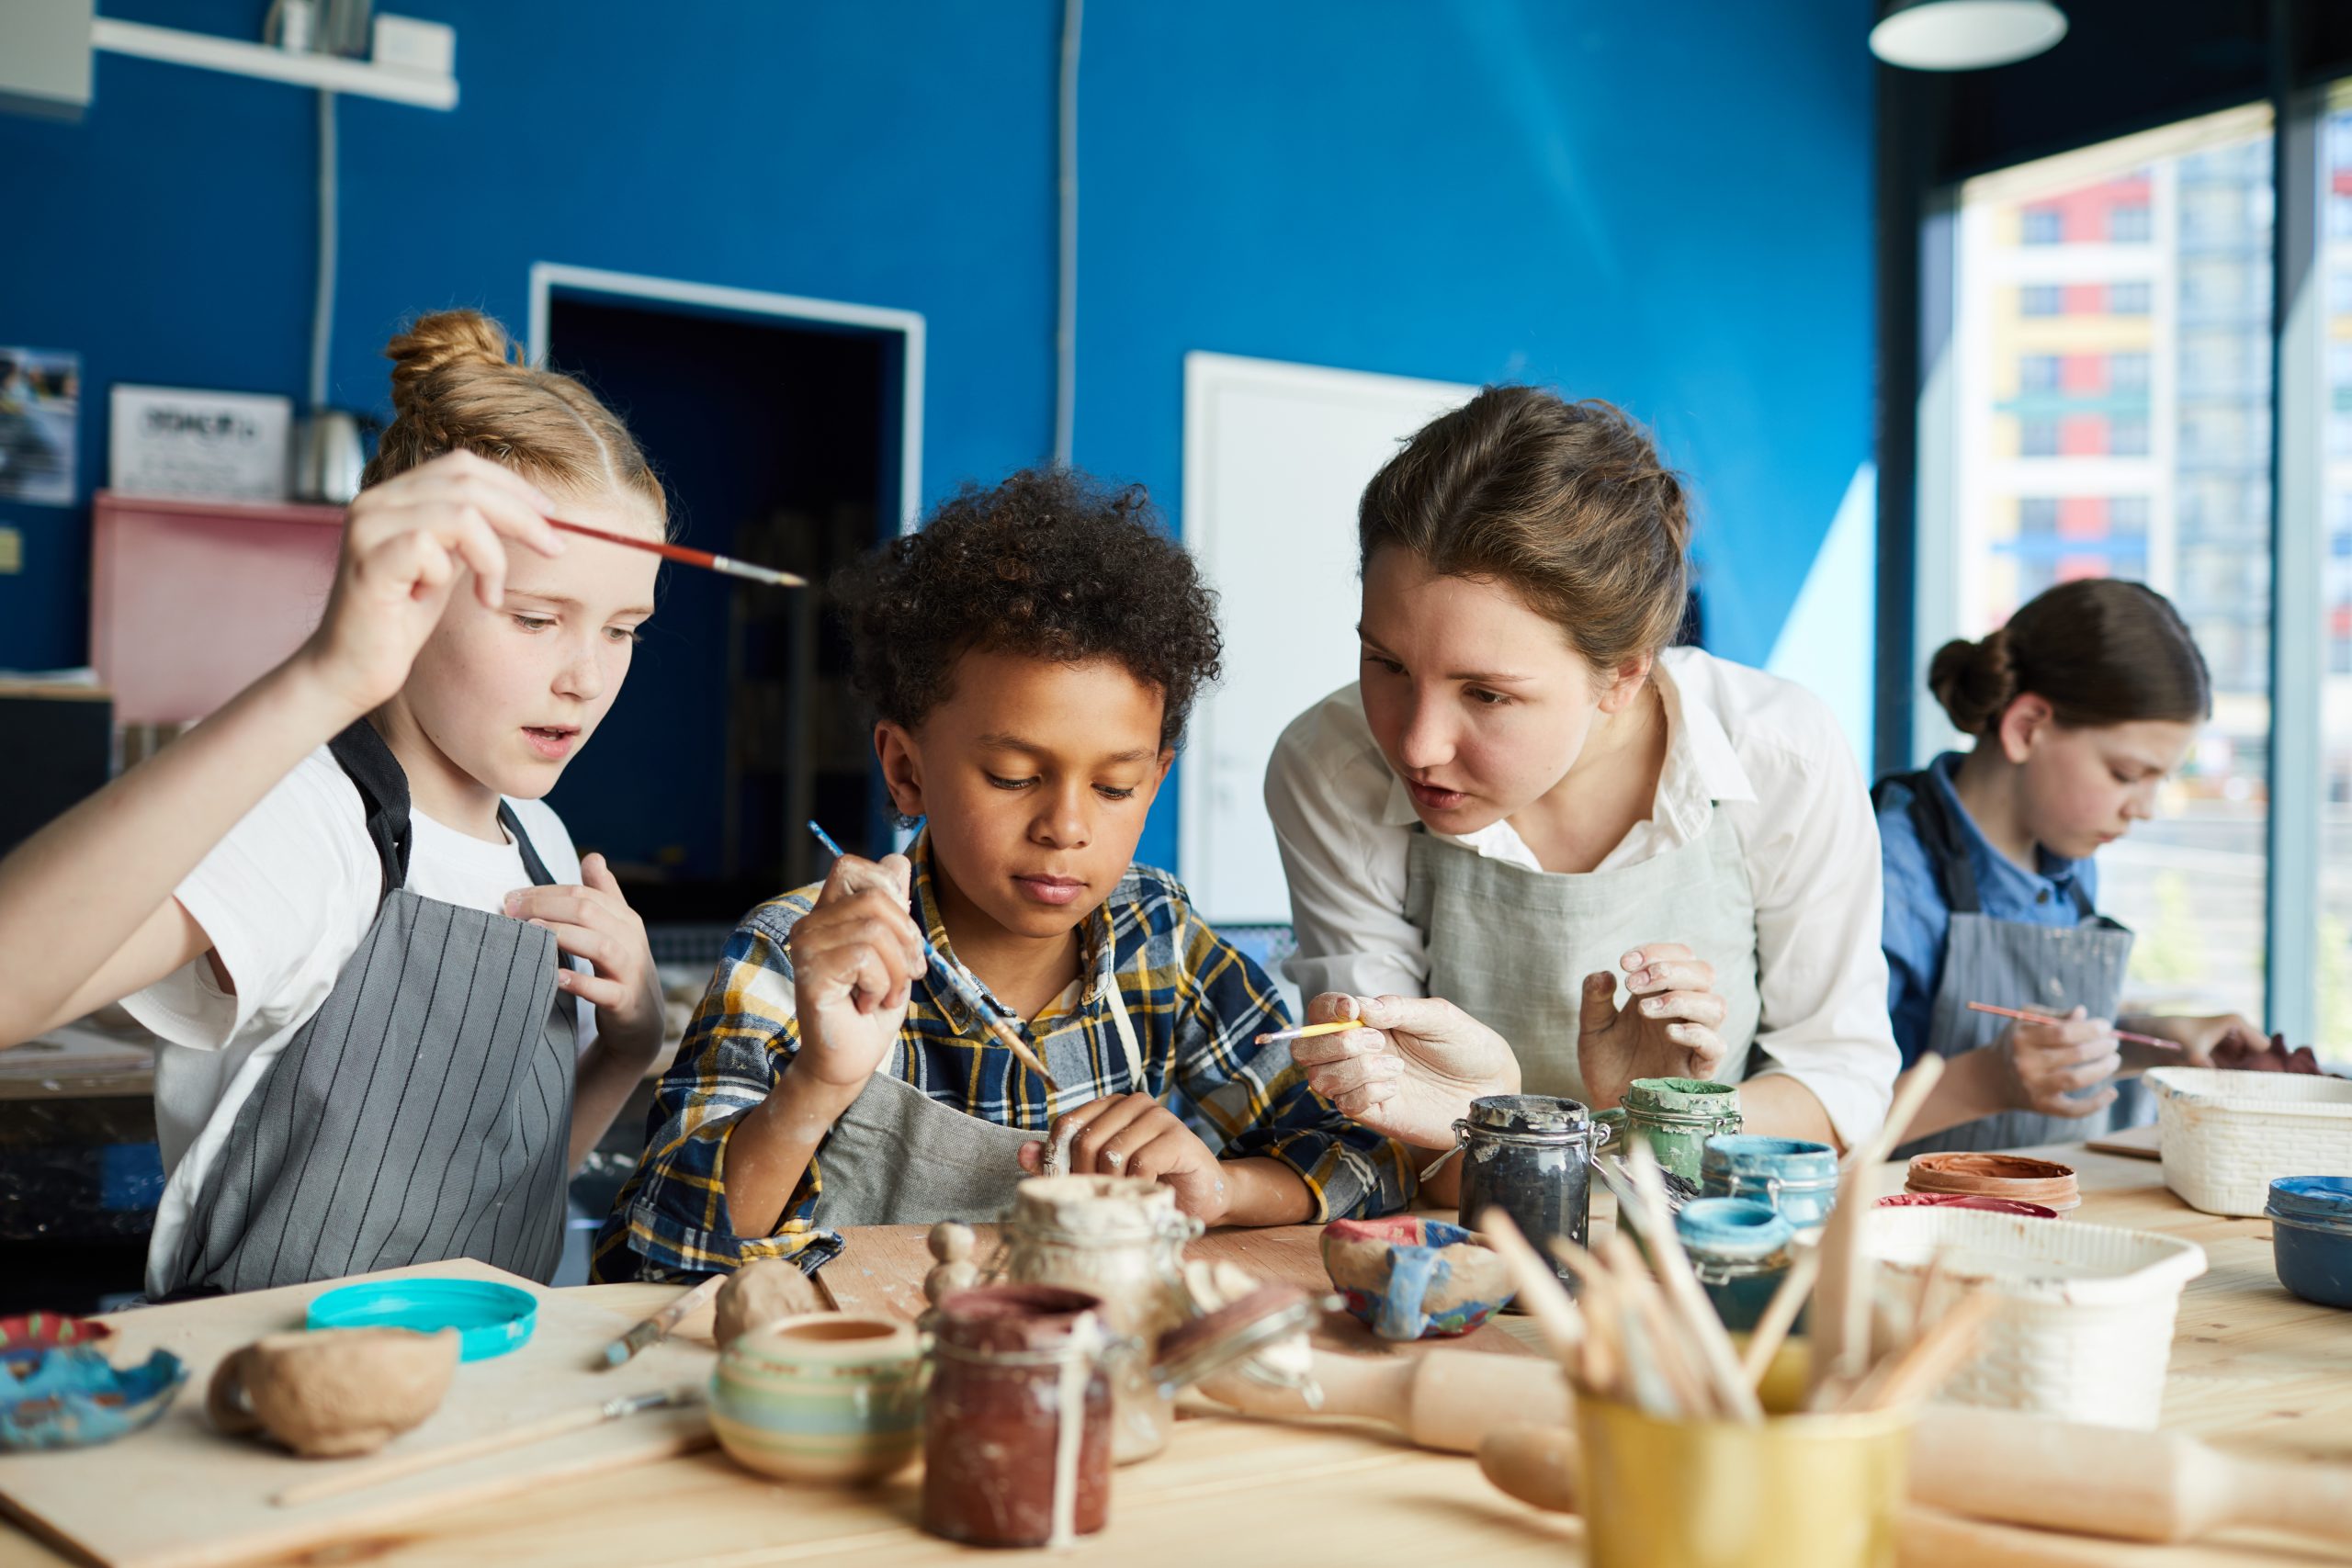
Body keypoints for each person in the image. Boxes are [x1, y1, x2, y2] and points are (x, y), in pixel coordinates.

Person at [594, 468, 1412, 1280]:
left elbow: (1365, 1153)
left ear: (1155, 780)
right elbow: (649, 1255)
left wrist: (1223, 1187)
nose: (1067, 826)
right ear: (907, 769)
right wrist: (816, 1084)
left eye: (1115, 786)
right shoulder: (796, 954)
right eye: (1016, 777)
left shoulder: (1161, 940)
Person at [0, 310, 669, 1297]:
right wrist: (324, 676)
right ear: (407, 585)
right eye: (536, 617)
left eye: (624, 631)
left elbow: (492, 1192)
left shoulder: (542, 841)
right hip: (273, 1409)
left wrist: (628, 1047)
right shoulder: (305, 819)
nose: (585, 678)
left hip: (471, 1392)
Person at [1263, 387, 1899, 1181]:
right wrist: (1630, 1131)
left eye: (1487, 694)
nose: (1416, 745)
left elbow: (1839, 1088)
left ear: (1623, 677)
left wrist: (1642, 1117)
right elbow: (1392, 1125)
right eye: (1385, 664)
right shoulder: (1329, 766)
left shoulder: (1781, 755)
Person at [1876, 577, 2254, 1152]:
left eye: (2163, 780)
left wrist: (2160, 1041)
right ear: (2028, 728)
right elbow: (1812, 1121)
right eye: (2128, 775)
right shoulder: (1883, 867)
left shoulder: (2071, 858)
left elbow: (2036, 1050)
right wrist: (1984, 1081)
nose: (2146, 809)